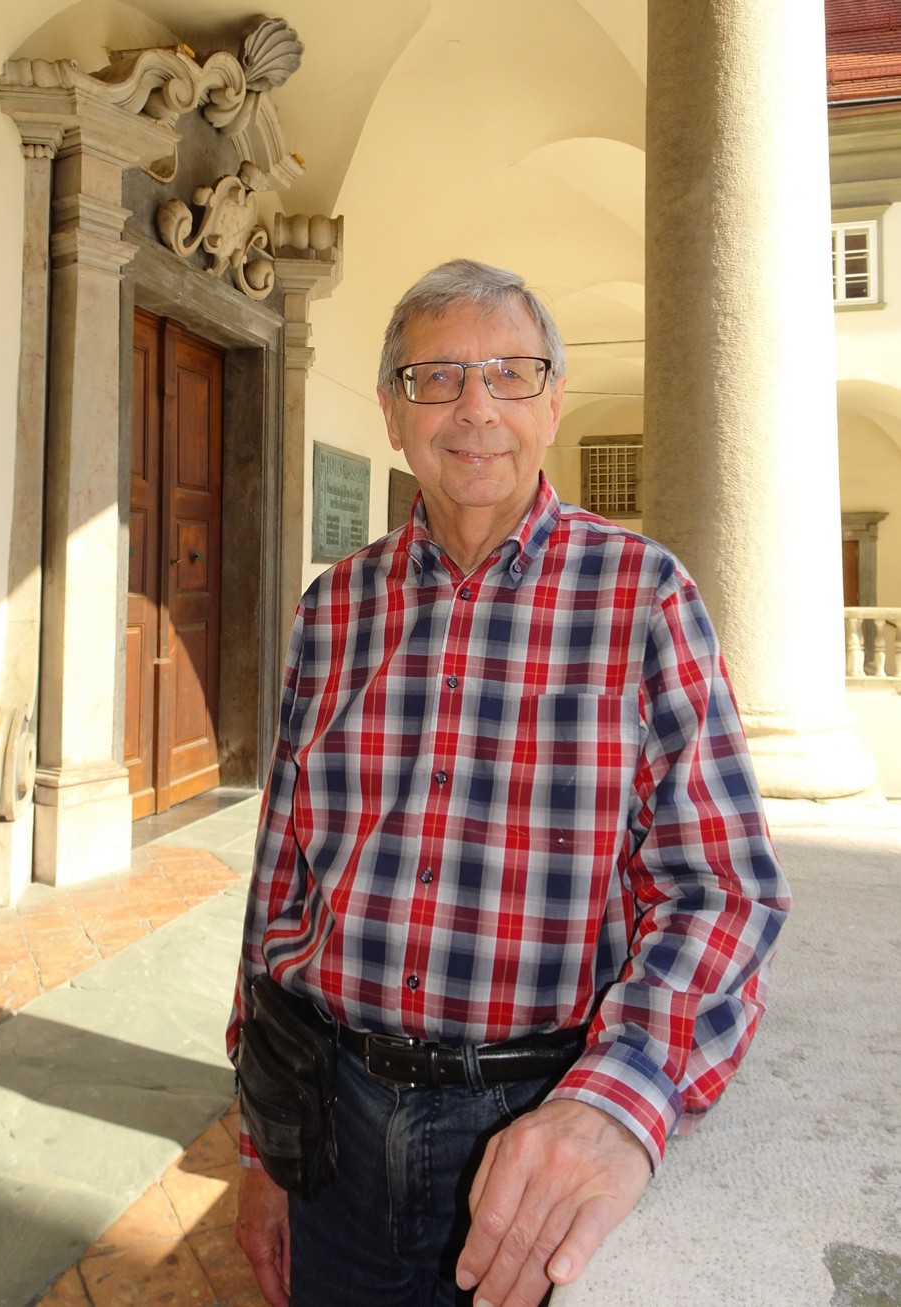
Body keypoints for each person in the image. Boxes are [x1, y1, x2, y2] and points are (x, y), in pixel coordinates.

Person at [228, 258, 791, 1307]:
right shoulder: (332, 609)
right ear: (392, 412)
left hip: (532, 1125)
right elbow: (281, 883)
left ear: (553, 401)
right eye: (436, 376)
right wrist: (263, 1143)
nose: (476, 407)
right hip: (332, 1125)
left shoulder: (643, 596)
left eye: (510, 373)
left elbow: (721, 889)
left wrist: (618, 1099)